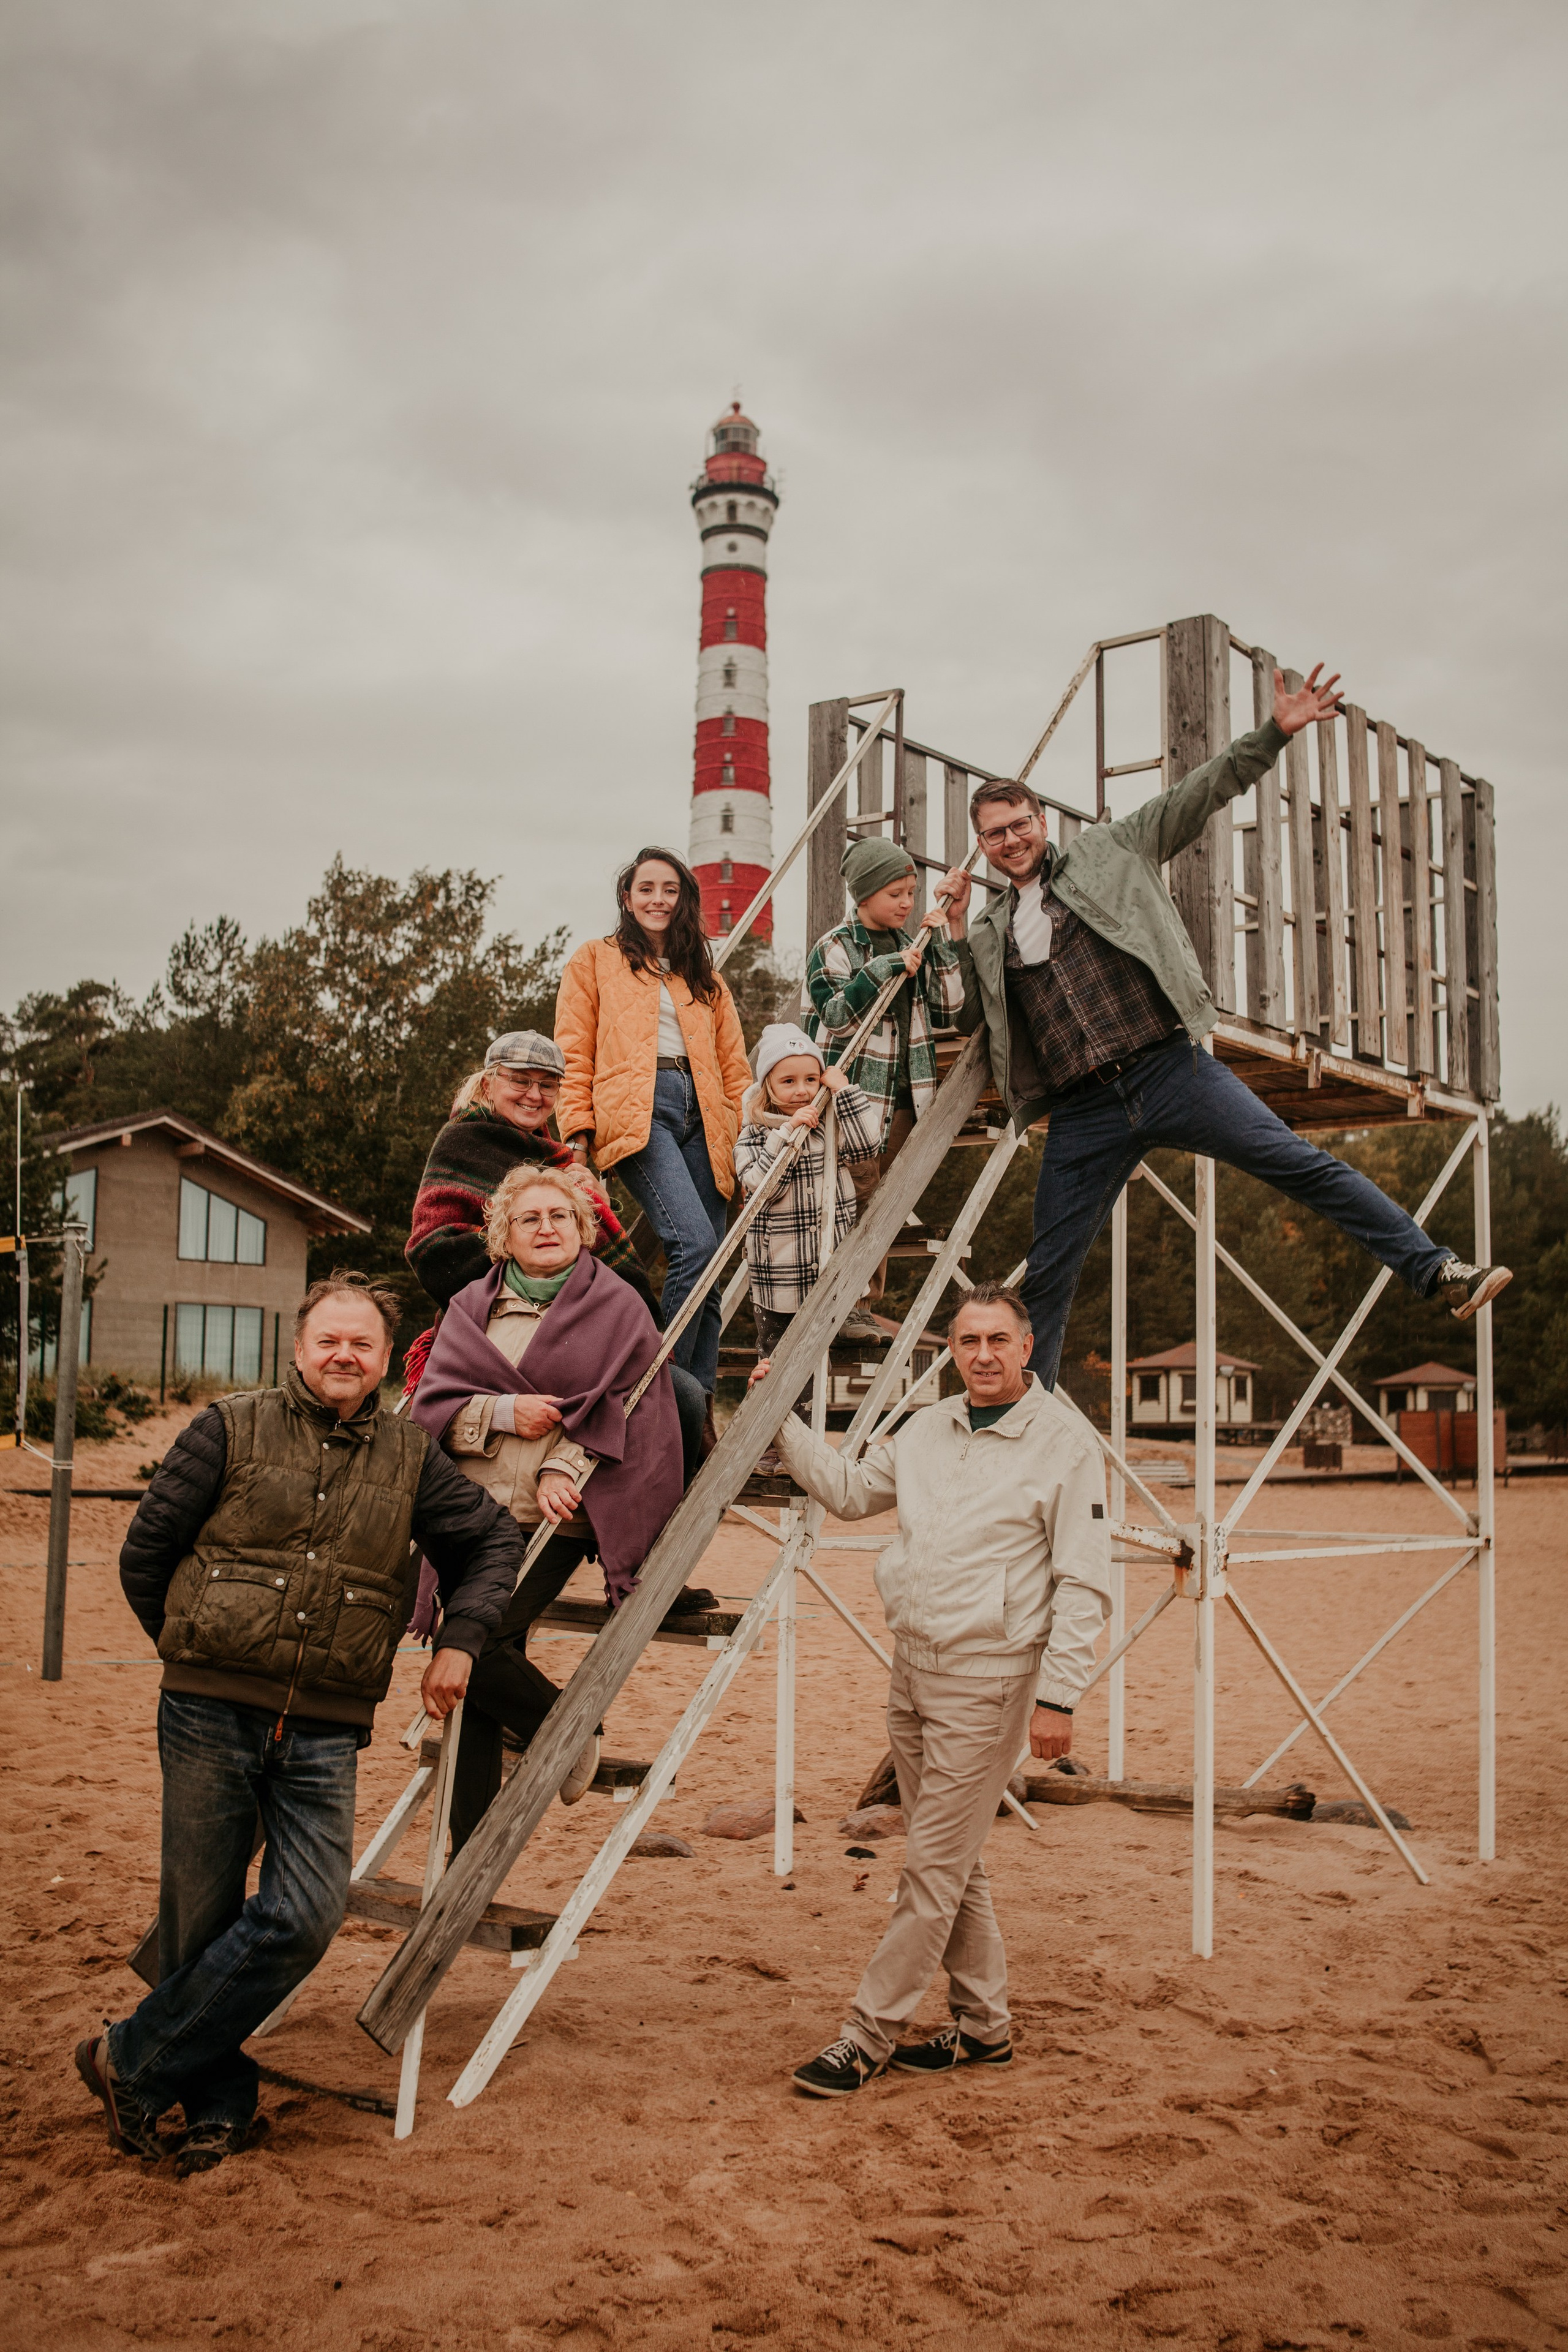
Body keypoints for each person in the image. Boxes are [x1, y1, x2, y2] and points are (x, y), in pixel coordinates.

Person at [940, 663, 1510, 1392]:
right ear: (982, 846)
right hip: (1082, 1111)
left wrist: (1275, 730)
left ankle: (1437, 1269)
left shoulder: (1113, 848)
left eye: (1020, 824)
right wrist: (956, 930)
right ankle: (1025, 1426)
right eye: (995, 834)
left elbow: (1201, 791)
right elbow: (969, 1018)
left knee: (1300, 1165)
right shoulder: (989, 929)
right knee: (1049, 1273)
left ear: (1040, 822)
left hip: (1169, 1071)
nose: (1011, 840)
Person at [81, 1272, 522, 2175]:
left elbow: (493, 1543)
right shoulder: (228, 1428)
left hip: (324, 1728)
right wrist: (197, 1653)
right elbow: (147, 1556)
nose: (344, 1357)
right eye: (329, 1341)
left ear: (385, 1363)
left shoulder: (410, 1456)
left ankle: (125, 2058)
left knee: (306, 1914)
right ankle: (219, 2099)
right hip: (208, 1714)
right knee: (199, 1920)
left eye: (362, 1344)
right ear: (297, 1347)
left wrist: (463, 1642)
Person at [750, 1280, 1111, 2097]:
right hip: (912, 1670)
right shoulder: (928, 1428)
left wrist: (1060, 1695)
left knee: (930, 1872)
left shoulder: (1065, 1445)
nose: (982, 1355)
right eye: (967, 1341)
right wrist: (782, 1418)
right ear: (951, 1350)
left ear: (1026, 1348)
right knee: (954, 1863)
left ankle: (865, 2035)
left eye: (998, 1341)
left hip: (992, 1683)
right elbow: (846, 1493)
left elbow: (1085, 1582)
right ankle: (986, 2029)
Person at [407, 1164, 693, 1855]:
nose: (545, 1229)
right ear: (502, 1234)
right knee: (475, 1657)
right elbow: (433, 1409)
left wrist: (564, 1465)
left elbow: (628, 1403)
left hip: (559, 1510)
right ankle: (472, 1840)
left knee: (478, 1640)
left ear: (583, 1228)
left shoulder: (619, 1304)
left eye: (560, 1217)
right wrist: (503, 1412)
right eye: (529, 1218)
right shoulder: (472, 1306)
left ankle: (565, 1735)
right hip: (471, 1508)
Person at [404, 1029, 704, 1466]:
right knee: (676, 1396)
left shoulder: (553, 1156)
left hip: (579, 1323)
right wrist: (541, 1274)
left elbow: (594, 1249)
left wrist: (588, 1201)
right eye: (520, 1081)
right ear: (489, 1084)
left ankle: (652, 1511)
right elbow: (433, 1251)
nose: (534, 1095)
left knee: (680, 1394)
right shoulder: (463, 1141)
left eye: (547, 1085)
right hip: (498, 1329)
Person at [555, 848, 752, 1414]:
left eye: (669, 890)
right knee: (694, 1244)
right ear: (627, 897)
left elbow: (735, 1068)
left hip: (708, 1118)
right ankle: (662, 1398)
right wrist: (576, 1135)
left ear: (684, 898)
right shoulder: (594, 960)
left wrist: (746, 1137)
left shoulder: (706, 978)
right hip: (640, 1113)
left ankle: (698, 1413)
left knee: (710, 1271)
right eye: (646, 889)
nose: (658, 900)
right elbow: (573, 1050)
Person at [804, 836, 967, 1308]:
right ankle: (837, 1306)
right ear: (865, 894)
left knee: (881, 1206)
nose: (907, 903)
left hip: (904, 1099)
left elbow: (949, 1007)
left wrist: (937, 946)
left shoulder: (909, 942)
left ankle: (863, 1304)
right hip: (851, 1099)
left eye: (913, 893)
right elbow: (836, 1017)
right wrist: (880, 970)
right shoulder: (833, 947)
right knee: (850, 1198)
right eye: (896, 893)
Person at [734, 1022, 883, 1411]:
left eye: (811, 1079)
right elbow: (762, 1187)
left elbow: (868, 1146)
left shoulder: (829, 1122)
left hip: (827, 1268)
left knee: (813, 1369)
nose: (802, 1090)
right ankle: (766, 1440)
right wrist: (786, 1135)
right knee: (777, 1366)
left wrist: (843, 1091)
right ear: (768, 1085)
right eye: (788, 1081)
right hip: (778, 1278)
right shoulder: (753, 1133)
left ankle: (799, 1444)